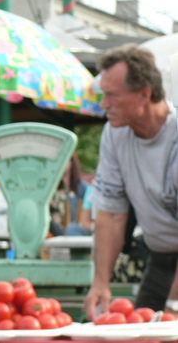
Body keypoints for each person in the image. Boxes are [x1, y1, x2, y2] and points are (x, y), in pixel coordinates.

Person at [84, 44, 178, 321]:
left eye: (112, 95)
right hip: (160, 259)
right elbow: (111, 213)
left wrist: (175, 305)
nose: (104, 105)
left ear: (145, 94)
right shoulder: (115, 134)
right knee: (136, 331)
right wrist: (101, 282)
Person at [50, 153, 89, 236]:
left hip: (75, 234)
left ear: (71, 163)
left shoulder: (84, 189)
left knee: (72, 229)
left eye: (63, 160)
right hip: (55, 234)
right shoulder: (52, 190)